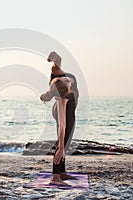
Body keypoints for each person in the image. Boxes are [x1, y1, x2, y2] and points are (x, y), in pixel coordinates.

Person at [40, 51, 78, 185]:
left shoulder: (62, 78)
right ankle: (55, 176)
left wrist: (52, 57)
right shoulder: (63, 97)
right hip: (61, 110)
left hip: (65, 105)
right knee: (64, 137)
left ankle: (61, 172)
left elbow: (59, 59)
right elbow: (62, 125)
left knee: (67, 139)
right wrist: (60, 148)